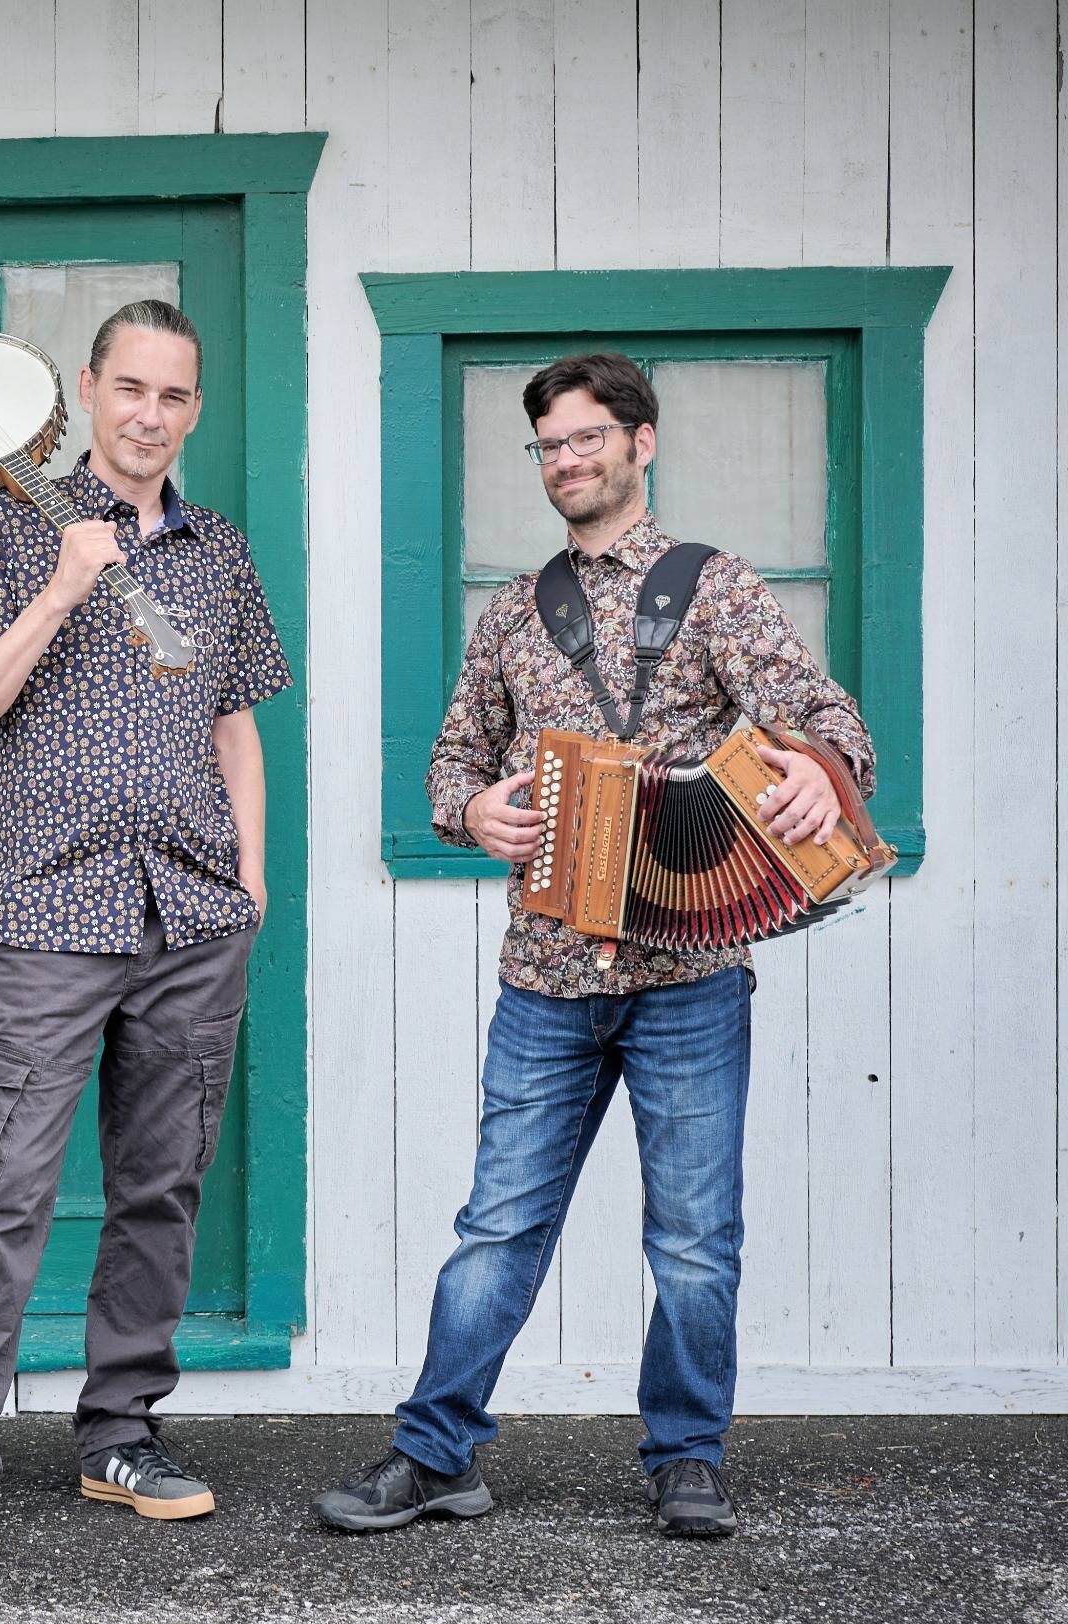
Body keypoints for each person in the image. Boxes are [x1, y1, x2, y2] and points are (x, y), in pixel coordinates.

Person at [315, 351, 875, 1540]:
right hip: (548, 978)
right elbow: (450, 769)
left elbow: (827, 720)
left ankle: (686, 1458)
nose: (567, 461)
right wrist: (472, 813)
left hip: (691, 979)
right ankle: (436, 1457)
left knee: (693, 1242)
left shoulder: (718, 588)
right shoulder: (512, 614)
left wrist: (824, 779)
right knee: (498, 1229)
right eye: (549, 446)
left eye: (586, 438)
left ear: (641, 441)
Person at [0, 300, 291, 1565]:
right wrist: (66, 583)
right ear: (89, 387)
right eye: (130, 389)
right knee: (8, 1192)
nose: (150, 415)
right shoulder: (14, 526)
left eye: (175, 396)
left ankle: (120, 1430)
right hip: (52, 914)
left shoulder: (218, 551)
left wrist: (252, 871)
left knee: (160, 1188)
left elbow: (236, 718)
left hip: (193, 916)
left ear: (194, 406)